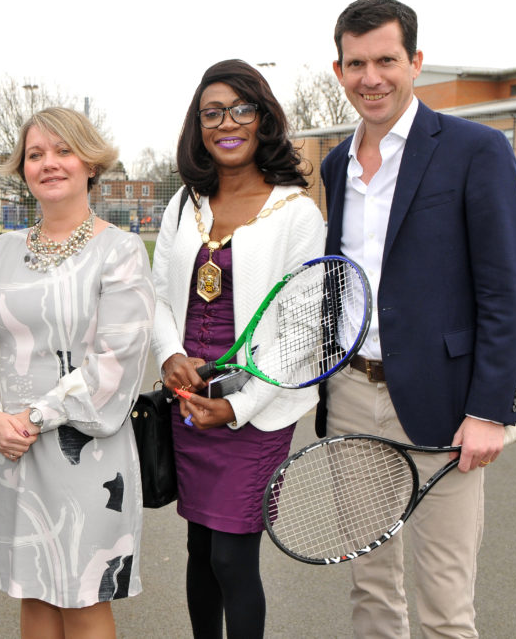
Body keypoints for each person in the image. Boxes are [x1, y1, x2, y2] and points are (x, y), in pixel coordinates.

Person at [316, 0, 516, 638]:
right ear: (339, 70)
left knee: (444, 602)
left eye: (386, 60)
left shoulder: (475, 149)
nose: (371, 78)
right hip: (352, 394)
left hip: (446, 402)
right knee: (371, 590)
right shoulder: (335, 164)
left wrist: (489, 409)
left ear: (415, 62)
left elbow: (504, 291)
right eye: (357, 64)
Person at [0, 106, 154, 638]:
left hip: (85, 453)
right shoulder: (1, 251)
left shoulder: (120, 251)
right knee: (33, 592)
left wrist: (30, 418)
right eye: (35, 154)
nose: (49, 163)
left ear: (90, 163)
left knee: (84, 597)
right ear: (22, 168)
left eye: (63, 151)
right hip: (12, 450)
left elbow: (115, 364)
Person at [150, 59, 325, 638]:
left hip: (258, 409)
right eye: (212, 113)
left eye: (241, 109)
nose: (227, 123)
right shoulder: (185, 204)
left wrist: (237, 406)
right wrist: (170, 355)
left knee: (232, 558)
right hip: (190, 402)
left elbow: (301, 332)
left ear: (263, 118)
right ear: (197, 126)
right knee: (201, 550)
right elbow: (157, 295)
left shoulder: (297, 213)